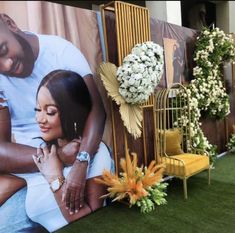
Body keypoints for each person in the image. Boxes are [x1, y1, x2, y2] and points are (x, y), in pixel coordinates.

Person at [0, 13, 106, 232]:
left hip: (73, 155)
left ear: (10, 23)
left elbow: (97, 109)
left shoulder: (61, 52)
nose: (7, 65)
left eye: (2, 50)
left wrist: (81, 161)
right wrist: (56, 158)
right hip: (28, 165)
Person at [14, 70, 112, 232]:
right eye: (38, 110)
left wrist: (55, 178)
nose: (40, 119)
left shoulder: (97, 153)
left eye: (50, 111)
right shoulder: (39, 149)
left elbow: (92, 225)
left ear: (72, 113)